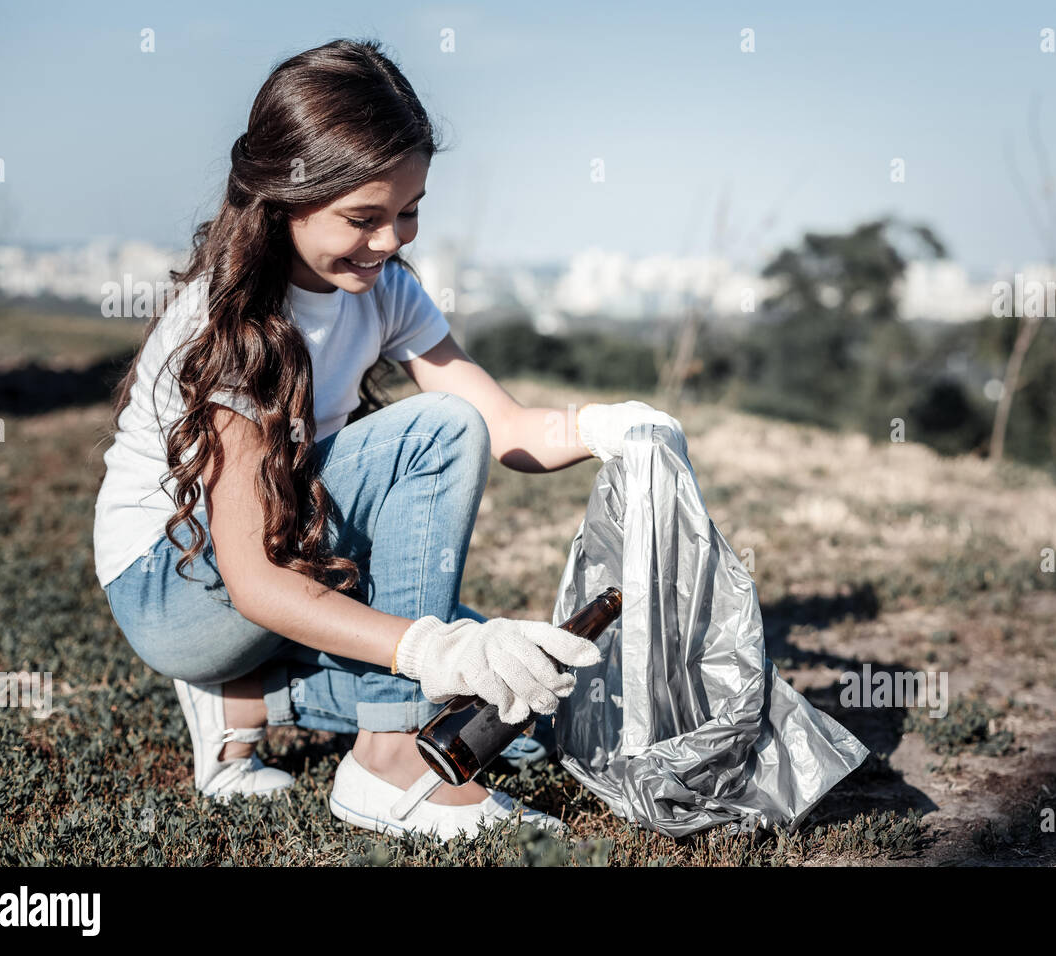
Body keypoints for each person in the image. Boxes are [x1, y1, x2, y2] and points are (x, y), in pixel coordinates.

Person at [93, 38, 684, 841]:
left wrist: (609, 426)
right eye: (364, 218)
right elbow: (253, 578)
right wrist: (424, 648)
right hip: (174, 586)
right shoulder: (232, 326)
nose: (391, 240)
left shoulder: (386, 290)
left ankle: (247, 695)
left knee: (529, 693)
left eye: (408, 211)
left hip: (272, 551)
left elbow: (506, 427)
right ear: (284, 196)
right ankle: (389, 762)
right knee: (434, 439)